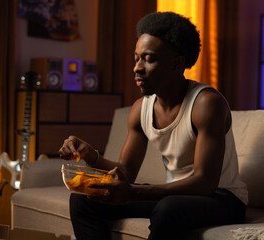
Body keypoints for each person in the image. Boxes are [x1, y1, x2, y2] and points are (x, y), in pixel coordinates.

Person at [59, 11, 248, 240]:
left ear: (177, 63)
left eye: (148, 59)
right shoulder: (141, 109)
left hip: (222, 198)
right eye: (136, 58)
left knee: (168, 209)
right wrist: (91, 156)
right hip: (175, 197)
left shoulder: (206, 104)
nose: (137, 68)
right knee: (83, 200)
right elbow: (126, 172)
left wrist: (135, 192)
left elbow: (205, 183)